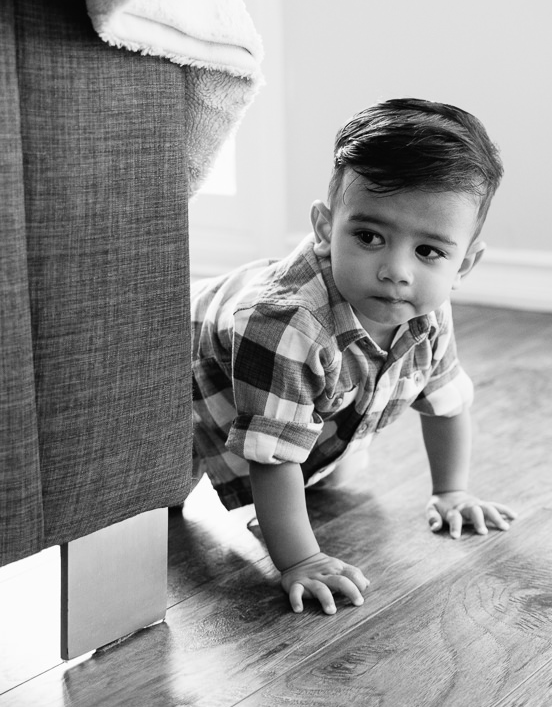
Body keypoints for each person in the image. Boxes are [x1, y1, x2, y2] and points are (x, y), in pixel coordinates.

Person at [190, 98, 516, 615]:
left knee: (325, 473)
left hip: (299, 385)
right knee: (156, 500)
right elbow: (270, 457)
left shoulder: (427, 307)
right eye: (368, 237)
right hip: (182, 375)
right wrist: (301, 559)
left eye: (429, 252)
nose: (396, 271)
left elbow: (447, 402)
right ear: (324, 228)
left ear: (464, 263)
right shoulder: (285, 323)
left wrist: (451, 491)